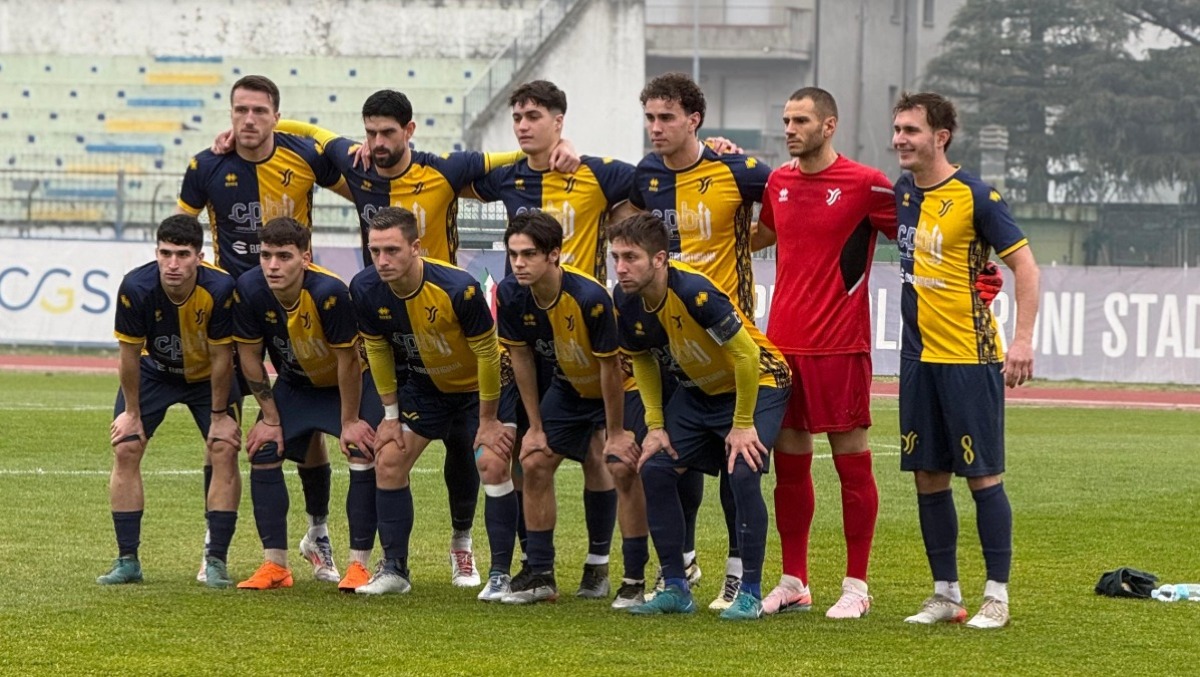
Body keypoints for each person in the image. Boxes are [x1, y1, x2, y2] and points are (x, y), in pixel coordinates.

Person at [257, 89, 579, 585]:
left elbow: (507, 157)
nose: (378, 142)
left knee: (475, 455)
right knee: (385, 452)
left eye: (388, 132)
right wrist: (257, 130)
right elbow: (316, 138)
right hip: (403, 342)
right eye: (371, 133)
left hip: (453, 331)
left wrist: (559, 145)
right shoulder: (358, 189)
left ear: (409, 131)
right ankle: (391, 567)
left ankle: (468, 552)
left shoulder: (445, 171)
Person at [471, 80, 640, 599]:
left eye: (534, 116)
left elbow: (656, 179)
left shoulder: (595, 174)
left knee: (604, 456)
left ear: (559, 121)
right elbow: (440, 171)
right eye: (517, 117)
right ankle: (533, 566)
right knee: (530, 451)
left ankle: (606, 565)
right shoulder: (506, 177)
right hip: (541, 350)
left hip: (590, 339)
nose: (523, 125)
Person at [178, 74, 347, 583]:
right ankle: (216, 545)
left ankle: (317, 533)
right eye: (239, 111)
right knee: (223, 431)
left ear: (276, 115)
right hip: (235, 314)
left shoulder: (302, 155)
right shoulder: (205, 166)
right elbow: (183, 235)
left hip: (297, 307)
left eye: (259, 111)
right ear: (229, 115)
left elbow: (360, 186)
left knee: (312, 430)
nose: (248, 120)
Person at [891, 92, 1039, 630]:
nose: (899, 140)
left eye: (910, 130)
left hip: (969, 358)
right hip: (917, 357)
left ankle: (996, 596)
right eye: (897, 129)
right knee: (928, 475)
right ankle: (945, 594)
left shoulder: (977, 195)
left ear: (940, 137)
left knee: (983, 478)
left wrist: (1020, 342)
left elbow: (1025, 268)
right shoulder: (903, 192)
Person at [751, 87, 897, 618]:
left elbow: (917, 235)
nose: (789, 128)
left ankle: (856, 586)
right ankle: (794, 581)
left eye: (801, 120)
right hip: (783, 347)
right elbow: (760, 235)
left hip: (840, 345)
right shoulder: (778, 181)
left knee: (851, 467)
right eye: (786, 119)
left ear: (829, 125)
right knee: (789, 468)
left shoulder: (867, 184)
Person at [629, 72, 772, 610]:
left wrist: (750, 238)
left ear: (695, 120)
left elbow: (785, 205)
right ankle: (682, 565)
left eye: (666, 117)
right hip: (669, 345)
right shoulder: (644, 174)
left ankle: (739, 577)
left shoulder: (736, 169)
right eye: (650, 117)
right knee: (668, 458)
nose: (656, 128)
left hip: (727, 340)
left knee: (736, 466)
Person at [609, 213, 791, 621]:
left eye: (631, 257)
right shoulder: (625, 299)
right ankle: (676, 585)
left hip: (759, 380)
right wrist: (655, 426)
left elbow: (746, 356)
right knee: (653, 468)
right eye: (616, 256)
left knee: (743, 471)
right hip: (700, 390)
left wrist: (742, 424)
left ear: (659, 259)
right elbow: (640, 358)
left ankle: (749, 591)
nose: (620, 267)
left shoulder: (694, 291)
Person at [349, 207, 515, 595]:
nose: (382, 261)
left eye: (392, 250)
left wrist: (489, 421)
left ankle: (493, 568)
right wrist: (389, 415)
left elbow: (490, 356)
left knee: (489, 463)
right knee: (387, 457)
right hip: (426, 389)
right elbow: (377, 349)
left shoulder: (459, 289)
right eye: (375, 251)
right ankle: (394, 570)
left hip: (478, 392)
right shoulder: (365, 288)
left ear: (416, 248)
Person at [494, 211, 648, 608]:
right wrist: (535, 425)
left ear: (555, 256)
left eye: (528, 254)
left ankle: (623, 575)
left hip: (619, 387)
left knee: (617, 464)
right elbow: (522, 359)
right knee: (533, 461)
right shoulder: (511, 294)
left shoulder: (589, 298)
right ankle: (541, 575)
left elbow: (610, 369)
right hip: (569, 385)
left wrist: (615, 432)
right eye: (513, 254)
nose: (519, 263)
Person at [231, 217, 382, 592]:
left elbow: (349, 362)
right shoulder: (249, 288)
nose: (272, 265)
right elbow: (249, 355)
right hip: (297, 384)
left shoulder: (329, 292)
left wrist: (349, 421)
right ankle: (276, 565)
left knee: (360, 450)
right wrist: (269, 416)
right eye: (266, 255)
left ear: (306, 257)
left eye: (284, 256)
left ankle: (358, 565)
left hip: (349, 386)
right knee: (263, 448)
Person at [97, 214, 241, 588]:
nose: (173, 264)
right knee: (126, 448)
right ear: (156, 253)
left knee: (224, 448)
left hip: (209, 376)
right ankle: (127, 560)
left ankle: (216, 561)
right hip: (155, 372)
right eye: (165, 254)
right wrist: (131, 412)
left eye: (182, 254)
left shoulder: (221, 289)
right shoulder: (136, 287)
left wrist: (220, 414)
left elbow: (224, 358)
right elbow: (128, 356)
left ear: (200, 256)